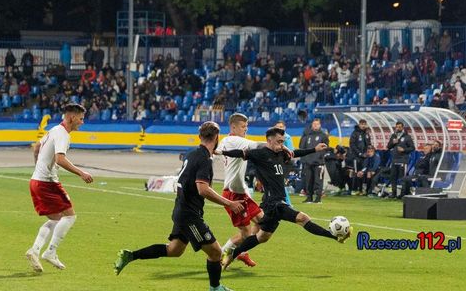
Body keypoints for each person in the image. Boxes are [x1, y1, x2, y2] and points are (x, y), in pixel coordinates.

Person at [113, 121, 243, 291]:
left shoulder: (191, 153)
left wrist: (212, 152)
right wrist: (229, 203)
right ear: (217, 137)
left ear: (199, 137)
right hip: (190, 215)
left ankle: (131, 255)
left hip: (181, 209)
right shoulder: (204, 160)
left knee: (175, 250)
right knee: (216, 253)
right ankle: (215, 287)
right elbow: (202, 189)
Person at [218, 127, 351, 270]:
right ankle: (334, 236)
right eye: (279, 141)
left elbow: (295, 153)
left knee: (262, 237)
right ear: (269, 140)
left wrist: (315, 149)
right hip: (274, 203)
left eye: (282, 141)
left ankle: (231, 255)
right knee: (303, 218)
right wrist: (221, 152)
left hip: (274, 202)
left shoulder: (281, 153)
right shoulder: (260, 153)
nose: (281, 144)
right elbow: (239, 153)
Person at [25, 104, 93, 272]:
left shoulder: (53, 130)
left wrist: (38, 168)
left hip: (36, 181)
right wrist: (81, 173)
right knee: (70, 217)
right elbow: (60, 159)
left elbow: (36, 148)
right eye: (81, 118)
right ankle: (50, 252)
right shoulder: (63, 134)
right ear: (72, 117)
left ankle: (35, 250)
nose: (82, 123)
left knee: (56, 219)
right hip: (47, 183)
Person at [217, 113, 265, 268]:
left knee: (263, 221)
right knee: (246, 233)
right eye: (243, 127)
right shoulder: (234, 140)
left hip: (240, 191)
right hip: (232, 193)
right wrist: (276, 144)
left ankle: (240, 252)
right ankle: (225, 254)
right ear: (233, 127)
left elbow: (216, 151)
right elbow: (259, 145)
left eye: (246, 127)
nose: (246, 130)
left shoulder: (225, 141)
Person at [299, 119, 329, 203]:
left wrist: (320, 157)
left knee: (318, 181)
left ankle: (318, 198)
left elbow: (326, 148)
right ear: (312, 125)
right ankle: (309, 197)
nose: (315, 126)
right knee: (308, 181)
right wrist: (304, 159)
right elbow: (302, 147)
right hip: (308, 162)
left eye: (317, 124)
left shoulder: (323, 136)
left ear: (320, 125)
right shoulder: (307, 136)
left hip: (318, 162)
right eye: (314, 124)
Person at [386, 121, 415, 198]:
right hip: (394, 159)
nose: (398, 128)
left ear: (402, 127)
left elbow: (412, 148)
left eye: (400, 127)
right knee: (393, 177)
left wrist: (404, 149)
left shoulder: (407, 137)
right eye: (397, 127)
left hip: (403, 160)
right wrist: (393, 142)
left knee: (402, 178)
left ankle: (402, 194)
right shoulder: (393, 136)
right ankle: (394, 193)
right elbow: (388, 146)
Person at [346, 119, 371, 194]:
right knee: (356, 173)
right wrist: (360, 153)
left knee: (362, 173)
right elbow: (352, 145)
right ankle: (354, 189)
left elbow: (369, 144)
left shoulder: (366, 133)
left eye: (364, 124)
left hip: (365, 157)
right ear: (359, 124)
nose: (363, 125)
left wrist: (368, 152)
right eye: (362, 124)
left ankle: (360, 189)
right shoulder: (355, 133)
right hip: (356, 157)